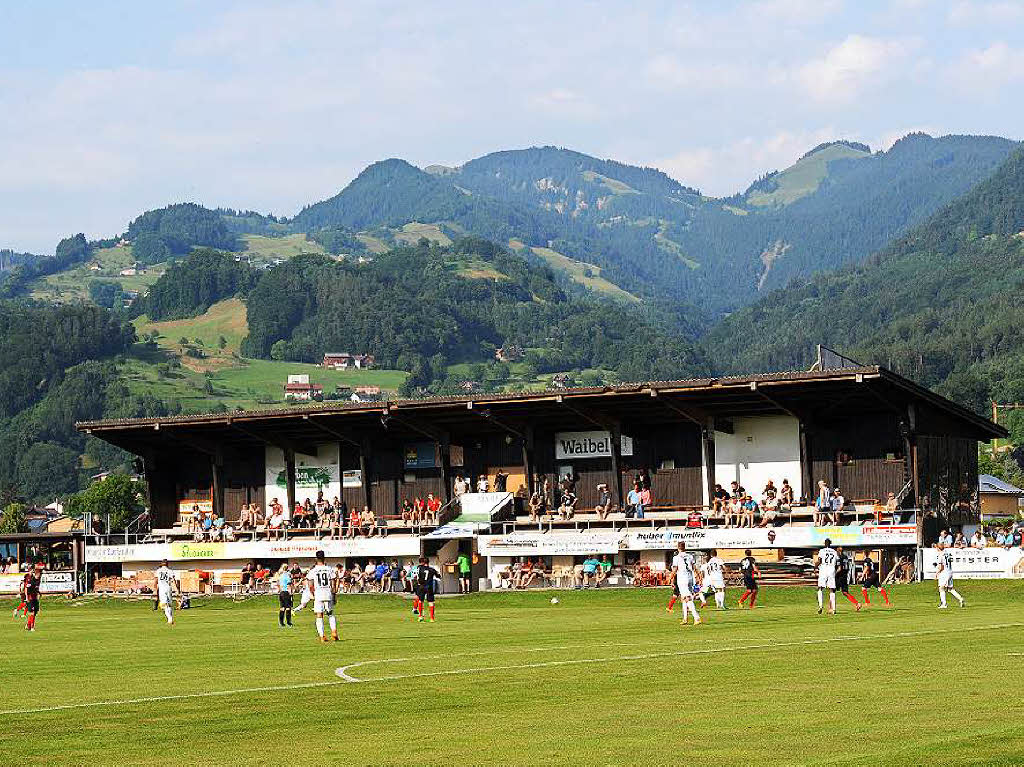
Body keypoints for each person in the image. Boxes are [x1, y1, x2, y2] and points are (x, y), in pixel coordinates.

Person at [306, 550, 339, 642]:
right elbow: (333, 583)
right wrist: (334, 595)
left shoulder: (313, 570)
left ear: (316, 559)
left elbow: (310, 584)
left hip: (318, 593)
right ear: (324, 558)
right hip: (328, 592)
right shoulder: (329, 569)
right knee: (330, 613)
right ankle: (334, 631)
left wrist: (312, 593)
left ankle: (322, 636)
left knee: (319, 615)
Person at [671, 543, 701, 626]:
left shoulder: (676, 558)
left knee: (687, 598)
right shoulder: (690, 556)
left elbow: (675, 569)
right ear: (685, 548)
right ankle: (685, 618)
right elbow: (695, 567)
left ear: (678, 548)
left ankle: (696, 617)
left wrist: (670, 579)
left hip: (682, 579)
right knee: (683, 598)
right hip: (690, 578)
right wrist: (699, 577)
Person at [934, 542, 965, 609]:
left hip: (944, 573)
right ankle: (960, 598)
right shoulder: (947, 553)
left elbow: (941, 567)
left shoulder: (940, 555)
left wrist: (937, 573)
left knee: (941, 588)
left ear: (938, 548)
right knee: (950, 589)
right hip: (950, 571)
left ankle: (944, 604)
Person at [412, 556, 441, 622]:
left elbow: (415, 574)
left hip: (421, 586)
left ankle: (420, 616)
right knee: (431, 602)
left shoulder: (419, 568)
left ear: (423, 562)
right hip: (429, 587)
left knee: (420, 601)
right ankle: (431, 618)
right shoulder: (432, 569)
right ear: (428, 562)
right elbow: (439, 576)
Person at [815, 538, 839, 615]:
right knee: (832, 589)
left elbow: (820, 561)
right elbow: (837, 563)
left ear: (825, 544)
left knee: (820, 588)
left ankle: (820, 606)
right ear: (830, 544)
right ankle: (834, 609)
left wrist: (815, 566)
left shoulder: (822, 551)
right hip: (831, 569)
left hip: (824, 569)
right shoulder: (834, 552)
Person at [835, 546, 860, 611]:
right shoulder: (846, 557)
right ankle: (857, 603)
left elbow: (839, 568)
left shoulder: (838, 557)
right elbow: (848, 567)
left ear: (838, 551)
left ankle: (831, 607)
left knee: (832, 591)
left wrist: (834, 574)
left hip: (839, 576)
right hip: (844, 576)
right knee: (845, 592)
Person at [155, 559, 177, 625]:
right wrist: (176, 589)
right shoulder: (170, 571)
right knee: (169, 604)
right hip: (168, 588)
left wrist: (154, 589)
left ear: (161, 564)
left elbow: (155, 581)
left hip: (162, 589)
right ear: (167, 564)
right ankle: (171, 619)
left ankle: (169, 619)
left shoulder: (158, 571)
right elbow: (173, 580)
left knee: (164, 604)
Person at [21, 563, 43, 632]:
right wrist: (27, 598)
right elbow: (26, 589)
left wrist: (38, 592)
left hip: (35, 598)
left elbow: (35, 588)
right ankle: (32, 627)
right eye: (39, 574)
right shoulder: (31, 580)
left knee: (35, 613)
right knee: (32, 612)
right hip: (30, 598)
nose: (40, 575)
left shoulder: (38, 580)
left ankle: (28, 625)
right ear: (36, 574)